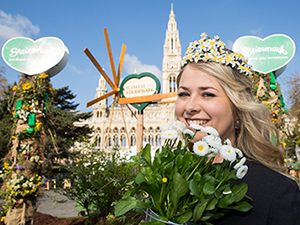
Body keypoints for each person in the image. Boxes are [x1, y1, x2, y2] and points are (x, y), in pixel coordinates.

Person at [175, 33, 300, 225]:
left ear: (238, 107)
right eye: (184, 93)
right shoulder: (167, 177)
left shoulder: (276, 192)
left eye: (207, 94)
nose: (190, 106)